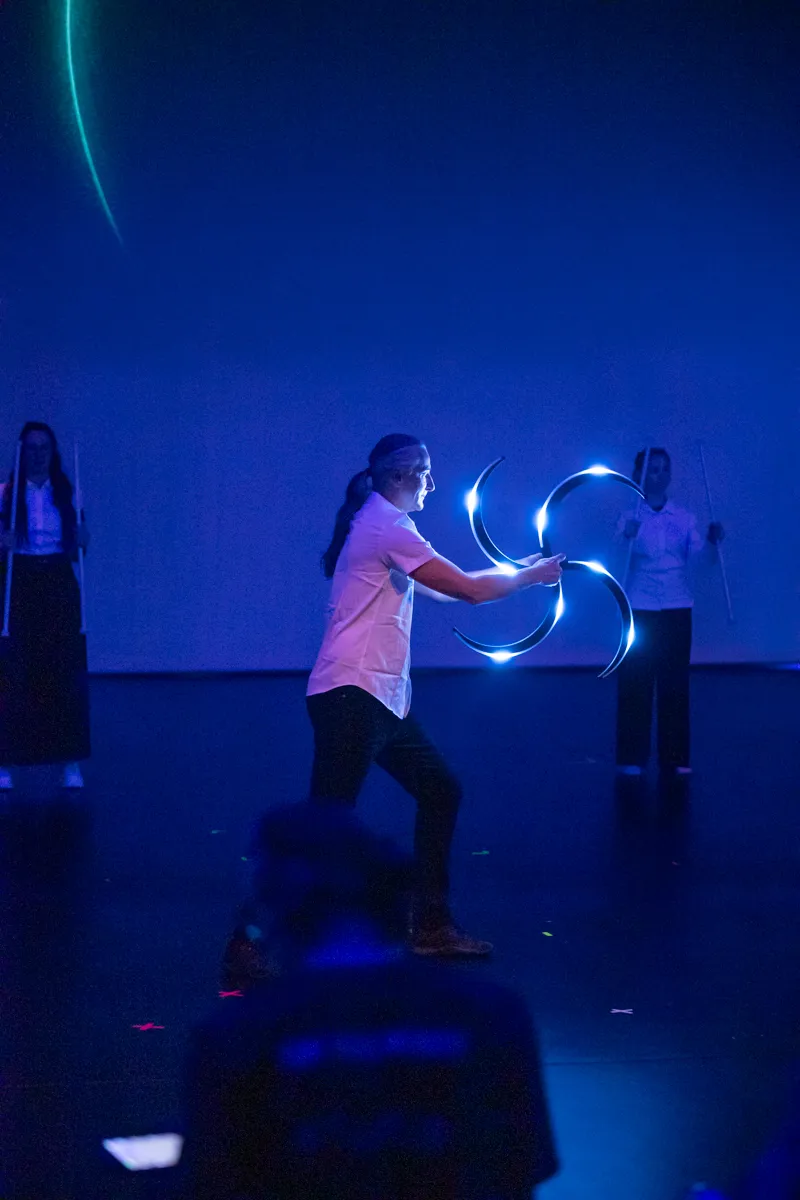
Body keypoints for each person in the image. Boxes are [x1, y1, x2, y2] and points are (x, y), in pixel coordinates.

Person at [185, 801, 560, 1200]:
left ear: (273, 899)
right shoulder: (491, 1013)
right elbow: (521, 1169)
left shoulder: (238, 1034)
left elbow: (217, 1181)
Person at [306, 433, 564, 956]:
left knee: (440, 791)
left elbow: (454, 585)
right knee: (320, 829)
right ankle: (253, 940)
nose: (432, 481)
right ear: (398, 476)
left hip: (378, 700)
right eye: (424, 471)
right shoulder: (386, 527)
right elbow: (465, 592)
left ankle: (429, 925)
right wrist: (531, 576)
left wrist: (525, 576)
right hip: (352, 697)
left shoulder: (386, 528)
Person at [615, 448, 724, 778]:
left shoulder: (683, 518)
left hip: (677, 606)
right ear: (639, 475)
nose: (659, 475)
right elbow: (615, 561)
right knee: (636, 680)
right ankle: (631, 756)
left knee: (674, 683)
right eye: (652, 469)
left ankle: (675, 757)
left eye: (664, 469)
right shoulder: (629, 517)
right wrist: (625, 537)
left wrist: (712, 542)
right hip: (640, 606)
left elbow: (701, 560)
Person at [0, 422, 90, 789]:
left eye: (44, 447)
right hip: (18, 583)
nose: (38, 454)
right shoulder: (5, 494)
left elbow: (74, 548)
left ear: (53, 452)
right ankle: (5, 760)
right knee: (13, 672)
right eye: (32, 447)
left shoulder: (68, 493)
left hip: (56, 582)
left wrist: (82, 540)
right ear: (22, 452)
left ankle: (69, 762)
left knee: (63, 670)